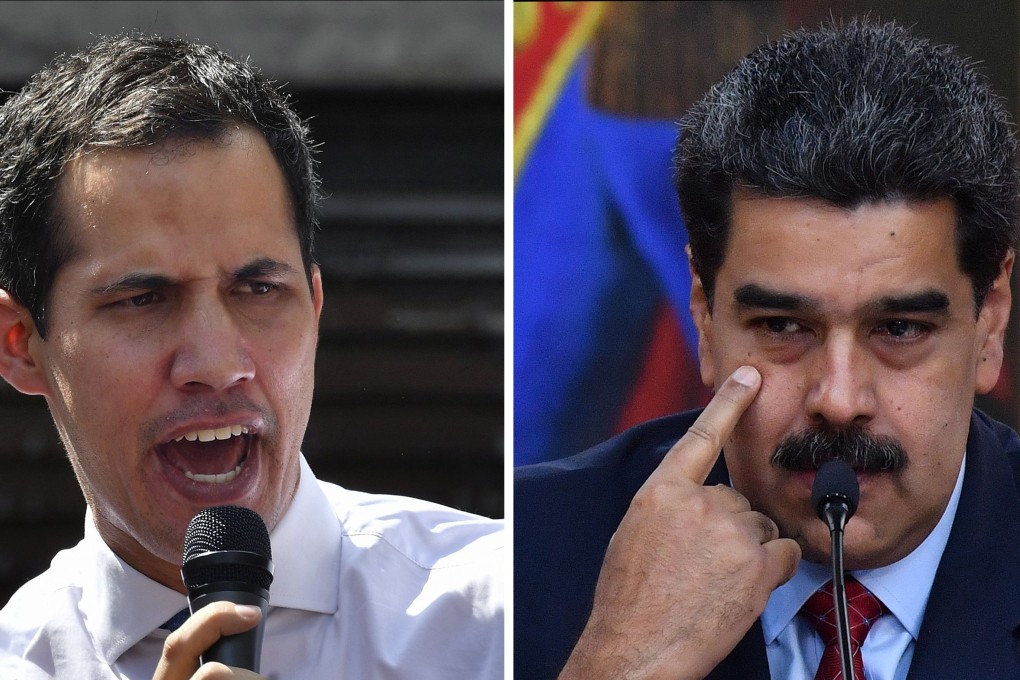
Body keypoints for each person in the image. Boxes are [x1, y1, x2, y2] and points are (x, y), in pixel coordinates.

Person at [515, 18, 1020, 680]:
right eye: (784, 326)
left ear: (990, 325)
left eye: (899, 330)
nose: (839, 401)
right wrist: (623, 659)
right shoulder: (520, 558)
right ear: (704, 314)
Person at [0, 34, 503, 679]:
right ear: (21, 346)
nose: (216, 362)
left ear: (316, 307)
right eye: (143, 299)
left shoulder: (496, 618)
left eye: (259, 290)